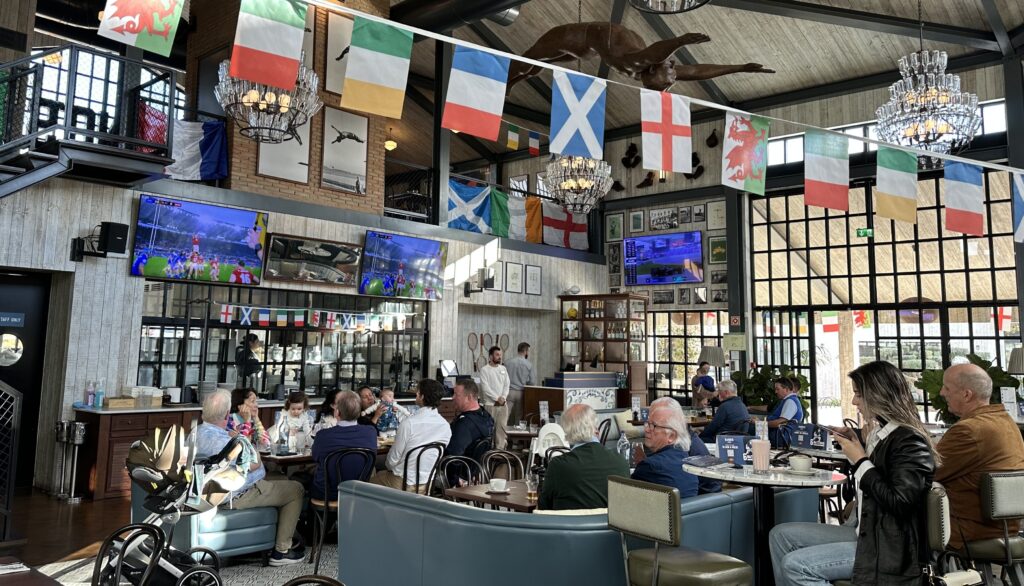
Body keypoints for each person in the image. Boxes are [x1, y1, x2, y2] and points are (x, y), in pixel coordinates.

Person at [769, 360, 937, 585]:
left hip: (890, 548)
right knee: (780, 535)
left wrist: (860, 460)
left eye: (858, 394)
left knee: (796, 565)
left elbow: (900, 502)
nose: (853, 401)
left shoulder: (910, 441)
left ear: (878, 394)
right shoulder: (883, 434)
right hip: (866, 531)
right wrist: (858, 439)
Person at [194, 390, 305, 566]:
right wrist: (241, 436)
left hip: (209, 492)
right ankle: (281, 551)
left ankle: (266, 543)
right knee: (296, 489)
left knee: (281, 481)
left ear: (203, 412)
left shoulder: (194, 434)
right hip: (238, 493)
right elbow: (254, 461)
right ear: (227, 414)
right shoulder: (227, 439)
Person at [936, 363, 1024, 550]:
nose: (942, 393)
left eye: (947, 387)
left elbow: (929, 472)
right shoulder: (1006, 422)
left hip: (970, 530)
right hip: (1008, 527)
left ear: (967, 395)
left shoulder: (968, 430)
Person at [539, 404, 629, 510]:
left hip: (567, 526)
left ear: (567, 432)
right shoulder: (621, 462)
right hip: (607, 526)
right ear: (595, 428)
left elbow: (543, 508)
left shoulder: (558, 466)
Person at [370, 379, 452, 493]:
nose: (416, 394)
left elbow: (392, 460)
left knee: (367, 483)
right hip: (427, 484)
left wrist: (391, 468)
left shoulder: (409, 423)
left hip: (403, 483)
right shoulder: (445, 426)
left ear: (421, 396)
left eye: (418, 392)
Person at [310, 390, 378, 500]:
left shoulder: (323, 436)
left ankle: (314, 517)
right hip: (358, 491)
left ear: (337, 412)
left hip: (328, 494)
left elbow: (315, 457)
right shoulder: (370, 432)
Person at [650, 397, 721, 494]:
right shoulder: (689, 438)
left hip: (704, 498)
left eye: (654, 422)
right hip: (711, 497)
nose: (648, 428)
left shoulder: (682, 445)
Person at [631, 406, 700, 498]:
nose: (646, 429)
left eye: (653, 426)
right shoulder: (689, 462)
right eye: (647, 424)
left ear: (671, 436)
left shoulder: (650, 465)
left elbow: (628, 498)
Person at [445, 379, 494, 458]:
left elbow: (453, 456)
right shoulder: (487, 416)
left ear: (469, 397)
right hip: (481, 467)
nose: (452, 398)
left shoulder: (464, 425)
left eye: (456, 394)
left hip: (462, 468)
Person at [478, 346, 511, 450]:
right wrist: (497, 398)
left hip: (503, 405)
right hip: (490, 405)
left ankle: (500, 452)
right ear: (491, 356)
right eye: (497, 355)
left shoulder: (503, 369)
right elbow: (485, 388)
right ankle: (488, 452)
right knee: (489, 431)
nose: (499, 357)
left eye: (500, 355)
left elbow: (507, 385)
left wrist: (504, 397)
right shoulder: (484, 370)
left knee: (501, 430)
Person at [503, 342, 537, 424]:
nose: (528, 353)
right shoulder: (529, 364)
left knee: (505, 415)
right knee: (519, 416)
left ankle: (502, 434)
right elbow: (532, 382)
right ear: (525, 351)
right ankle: (516, 435)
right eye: (528, 351)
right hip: (521, 393)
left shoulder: (507, 362)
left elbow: (502, 378)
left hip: (509, 392)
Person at [765, 377, 803, 447]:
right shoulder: (787, 400)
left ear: (786, 389)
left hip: (781, 437)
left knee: (750, 429)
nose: (775, 392)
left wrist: (761, 424)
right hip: (777, 435)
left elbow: (780, 423)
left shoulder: (790, 402)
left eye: (777, 389)